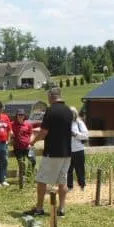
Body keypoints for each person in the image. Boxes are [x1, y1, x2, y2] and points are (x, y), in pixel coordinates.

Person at [25, 87, 73, 217]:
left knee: (41, 180)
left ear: (51, 96)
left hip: (52, 152)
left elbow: (44, 132)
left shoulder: (50, 111)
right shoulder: (69, 111)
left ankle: (39, 208)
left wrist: (32, 141)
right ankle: (61, 208)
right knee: (62, 181)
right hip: (67, 152)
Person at [67, 108, 89, 191]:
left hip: (79, 150)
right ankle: (69, 186)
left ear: (75, 114)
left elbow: (85, 136)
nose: (71, 115)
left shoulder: (79, 123)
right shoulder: (65, 123)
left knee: (80, 169)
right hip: (68, 150)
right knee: (68, 169)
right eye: (69, 113)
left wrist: (75, 134)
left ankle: (82, 185)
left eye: (73, 113)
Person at [11, 108, 35, 184]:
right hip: (18, 148)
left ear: (24, 116)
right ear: (16, 115)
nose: (21, 116)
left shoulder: (28, 124)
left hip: (28, 147)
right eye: (19, 115)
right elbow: (8, 131)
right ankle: (23, 178)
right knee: (22, 163)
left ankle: (29, 175)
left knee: (33, 161)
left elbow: (31, 134)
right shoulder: (12, 124)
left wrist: (30, 143)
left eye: (22, 115)